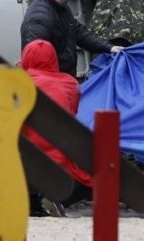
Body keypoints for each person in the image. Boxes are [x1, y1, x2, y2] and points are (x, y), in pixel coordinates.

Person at [20, 39, 92, 216]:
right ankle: (55, 198)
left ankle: (32, 204)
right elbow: (71, 113)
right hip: (59, 163)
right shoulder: (70, 84)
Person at [20, 0, 123, 79]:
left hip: (62, 80)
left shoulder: (61, 7)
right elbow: (35, 63)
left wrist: (109, 48)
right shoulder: (39, 20)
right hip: (51, 85)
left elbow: (79, 33)